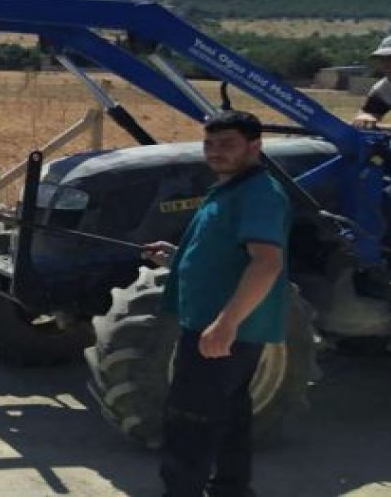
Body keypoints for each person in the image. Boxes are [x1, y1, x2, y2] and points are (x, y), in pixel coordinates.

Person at [141, 110, 290, 497]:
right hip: (222, 329)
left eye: (227, 144)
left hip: (222, 331)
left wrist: (226, 324)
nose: (215, 152)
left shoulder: (259, 193)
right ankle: (231, 490)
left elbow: (266, 262)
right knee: (229, 419)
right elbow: (226, 253)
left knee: (188, 422)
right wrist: (177, 257)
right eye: (209, 143)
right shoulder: (230, 190)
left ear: (254, 147)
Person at [351, 34, 391, 128]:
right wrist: (365, 118)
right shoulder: (383, 89)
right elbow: (369, 112)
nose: (386, 65)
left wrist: (383, 129)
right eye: (383, 59)